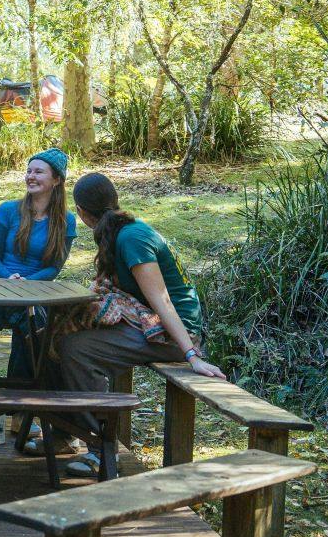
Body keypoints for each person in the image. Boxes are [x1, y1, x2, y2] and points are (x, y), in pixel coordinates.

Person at [48, 171, 226, 474]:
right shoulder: (117, 230)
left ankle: (101, 448)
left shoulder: (131, 237)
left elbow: (162, 301)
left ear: (81, 212)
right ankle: (66, 433)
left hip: (176, 333)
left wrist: (192, 355)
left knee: (76, 348)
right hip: (148, 322)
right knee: (48, 338)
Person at [0, 148, 78, 385]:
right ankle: (46, 396)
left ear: (56, 180)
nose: (30, 176)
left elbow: (54, 267)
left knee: (32, 323)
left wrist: (29, 284)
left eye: (38, 171)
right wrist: (10, 278)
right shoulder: (7, 210)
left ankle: (18, 404)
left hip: (37, 293)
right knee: (35, 324)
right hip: (1, 290)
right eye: (28, 171)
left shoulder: (67, 220)